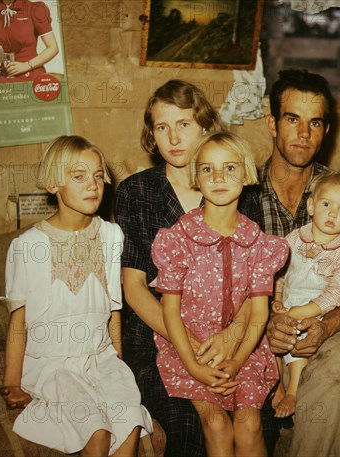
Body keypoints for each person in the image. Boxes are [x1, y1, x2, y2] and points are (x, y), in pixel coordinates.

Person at [114, 80, 276, 457]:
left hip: (235, 334)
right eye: (161, 127)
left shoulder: (238, 191)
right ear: (151, 134)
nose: (173, 137)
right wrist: (190, 344)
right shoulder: (136, 193)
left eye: (184, 124)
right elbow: (134, 286)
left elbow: (256, 286)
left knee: (254, 421)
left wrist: (233, 336)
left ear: (205, 126)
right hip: (160, 337)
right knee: (191, 426)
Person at [241, 68, 340, 457]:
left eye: (314, 122)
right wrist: (267, 322)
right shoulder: (243, 192)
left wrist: (327, 325)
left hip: (326, 317)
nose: (304, 133)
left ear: (326, 130)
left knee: (337, 369)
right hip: (255, 321)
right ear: (271, 123)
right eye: (292, 119)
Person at [0, 135, 153, 456]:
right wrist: (12, 383)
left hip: (101, 360)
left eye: (98, 176)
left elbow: (114, 312)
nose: (93, 185)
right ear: (54, 184)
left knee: (130, 424)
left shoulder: (112, 236)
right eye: (79, 176)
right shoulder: (28, 246)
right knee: (96, 433)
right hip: (53, 366)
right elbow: (19, 319)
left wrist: (118, 371)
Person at [151, 131, 288, 456]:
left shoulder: (258, 243)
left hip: (245, 348)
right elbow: (169, 311)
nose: (218, 178)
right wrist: (195, 366)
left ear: (246, 175)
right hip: (190, 349)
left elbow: (258, 314)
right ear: (196, 177)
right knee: (216, 425)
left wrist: (238, 361)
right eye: (208, 169)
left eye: (229, 168)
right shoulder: (179, 239)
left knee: (250, 425)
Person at [271, 170, 340, 418]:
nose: (333, 213)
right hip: (288, 303)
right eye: (326, 204)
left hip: (317, 310)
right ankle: (276, 383)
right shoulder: (294, 238)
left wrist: (305, 310)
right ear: (311, 206)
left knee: (297, 339)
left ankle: (292, 390)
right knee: (268, 337)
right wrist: (277, 301)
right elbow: (278, 272)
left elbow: (338, 292)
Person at [0, 0, 59, 82]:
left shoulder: (34, 9)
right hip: (5, 71)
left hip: (31, 69)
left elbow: (53, 48)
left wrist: (26, 65)